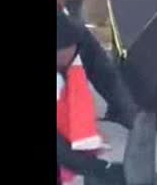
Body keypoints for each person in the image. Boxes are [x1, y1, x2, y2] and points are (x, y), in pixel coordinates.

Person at [57, 10, 136, 185]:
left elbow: (107, 77)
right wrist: (98, 168)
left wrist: (134, 118)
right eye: (60, 62)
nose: (66, 66)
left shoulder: (78, 36)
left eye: (69, 60)